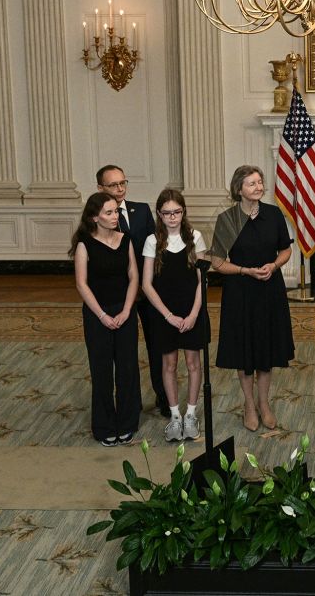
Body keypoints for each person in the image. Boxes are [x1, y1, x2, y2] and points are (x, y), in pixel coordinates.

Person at [211, 165, 296, 432]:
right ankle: (249, 404)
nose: (258, 187)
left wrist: (273, 265)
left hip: (270, 290)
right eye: (252, 183)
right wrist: (245, 270)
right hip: (240, 292)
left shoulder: (273, 214)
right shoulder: (228, 219)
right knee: (245, 352)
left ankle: (264, 403)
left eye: (260, 182)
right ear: (239, 189)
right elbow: (216, 262)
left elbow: (285, 250)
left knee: (266, 350)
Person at [97, 164, 169, 419]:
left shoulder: (141, 212)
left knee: (157, 346)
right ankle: (131, 405)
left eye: (122, 183)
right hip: (117, 295)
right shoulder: (99, 218)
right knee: (125, 353)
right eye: (113, 185)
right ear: (100, 189)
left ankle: (164, 398)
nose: (119, 189)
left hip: (147, 291)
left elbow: (154, 249)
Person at [70, 192, 141, 447]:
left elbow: (134, 276)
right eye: (109, 212)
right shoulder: (84, 245)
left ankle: (127, 421)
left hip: (125, 312)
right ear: (94, 217)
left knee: (127, 368)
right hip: (96, 314)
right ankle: (104, 425)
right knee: (101, 371)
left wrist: (126, 310)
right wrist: (101, 315)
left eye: (116, 212)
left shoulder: (126, 240)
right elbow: (81, 284)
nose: (114, 216)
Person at [141, 189, 209, 444]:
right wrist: (168, 316)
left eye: (177, 212)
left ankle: (191, 414)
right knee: (168, 365)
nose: (172, 217)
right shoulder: (152, 241)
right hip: (164, 313)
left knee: (193, 364)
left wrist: (193, 314)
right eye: (167, 213)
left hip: (191, 309)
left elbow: (202, 280)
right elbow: (147, 284)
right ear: (159, 214)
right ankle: (175, 416)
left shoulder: (195, 237)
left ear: (183, 212)